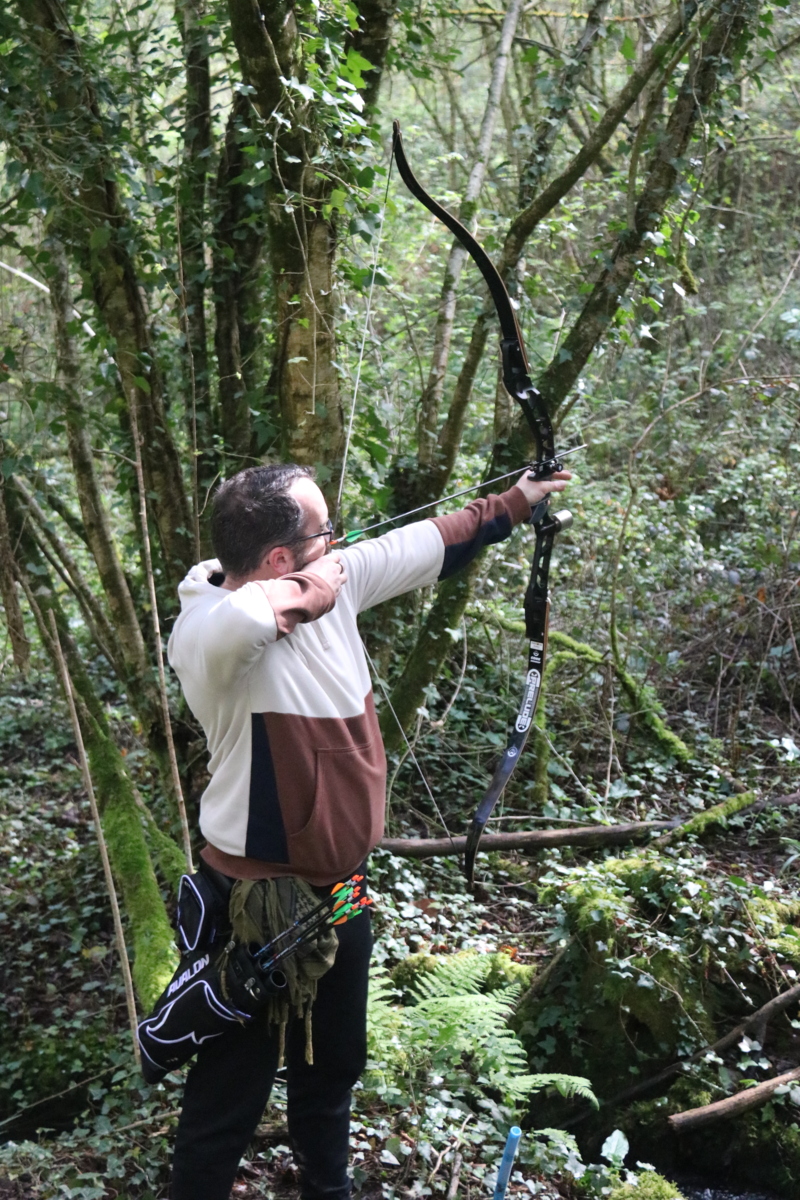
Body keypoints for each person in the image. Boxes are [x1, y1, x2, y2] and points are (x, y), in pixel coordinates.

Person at [166, 461, 571, 1200]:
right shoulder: (204, 630)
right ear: (280, 559)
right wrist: (323, 582)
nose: (342, 542)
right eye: (327, 530)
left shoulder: (334, 579)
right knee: (228, 1096)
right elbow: (250, 618)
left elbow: (426, 543)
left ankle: (329, 1190)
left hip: (344, 888)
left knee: (335, 1066)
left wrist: (516, 502)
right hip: (258, 903)